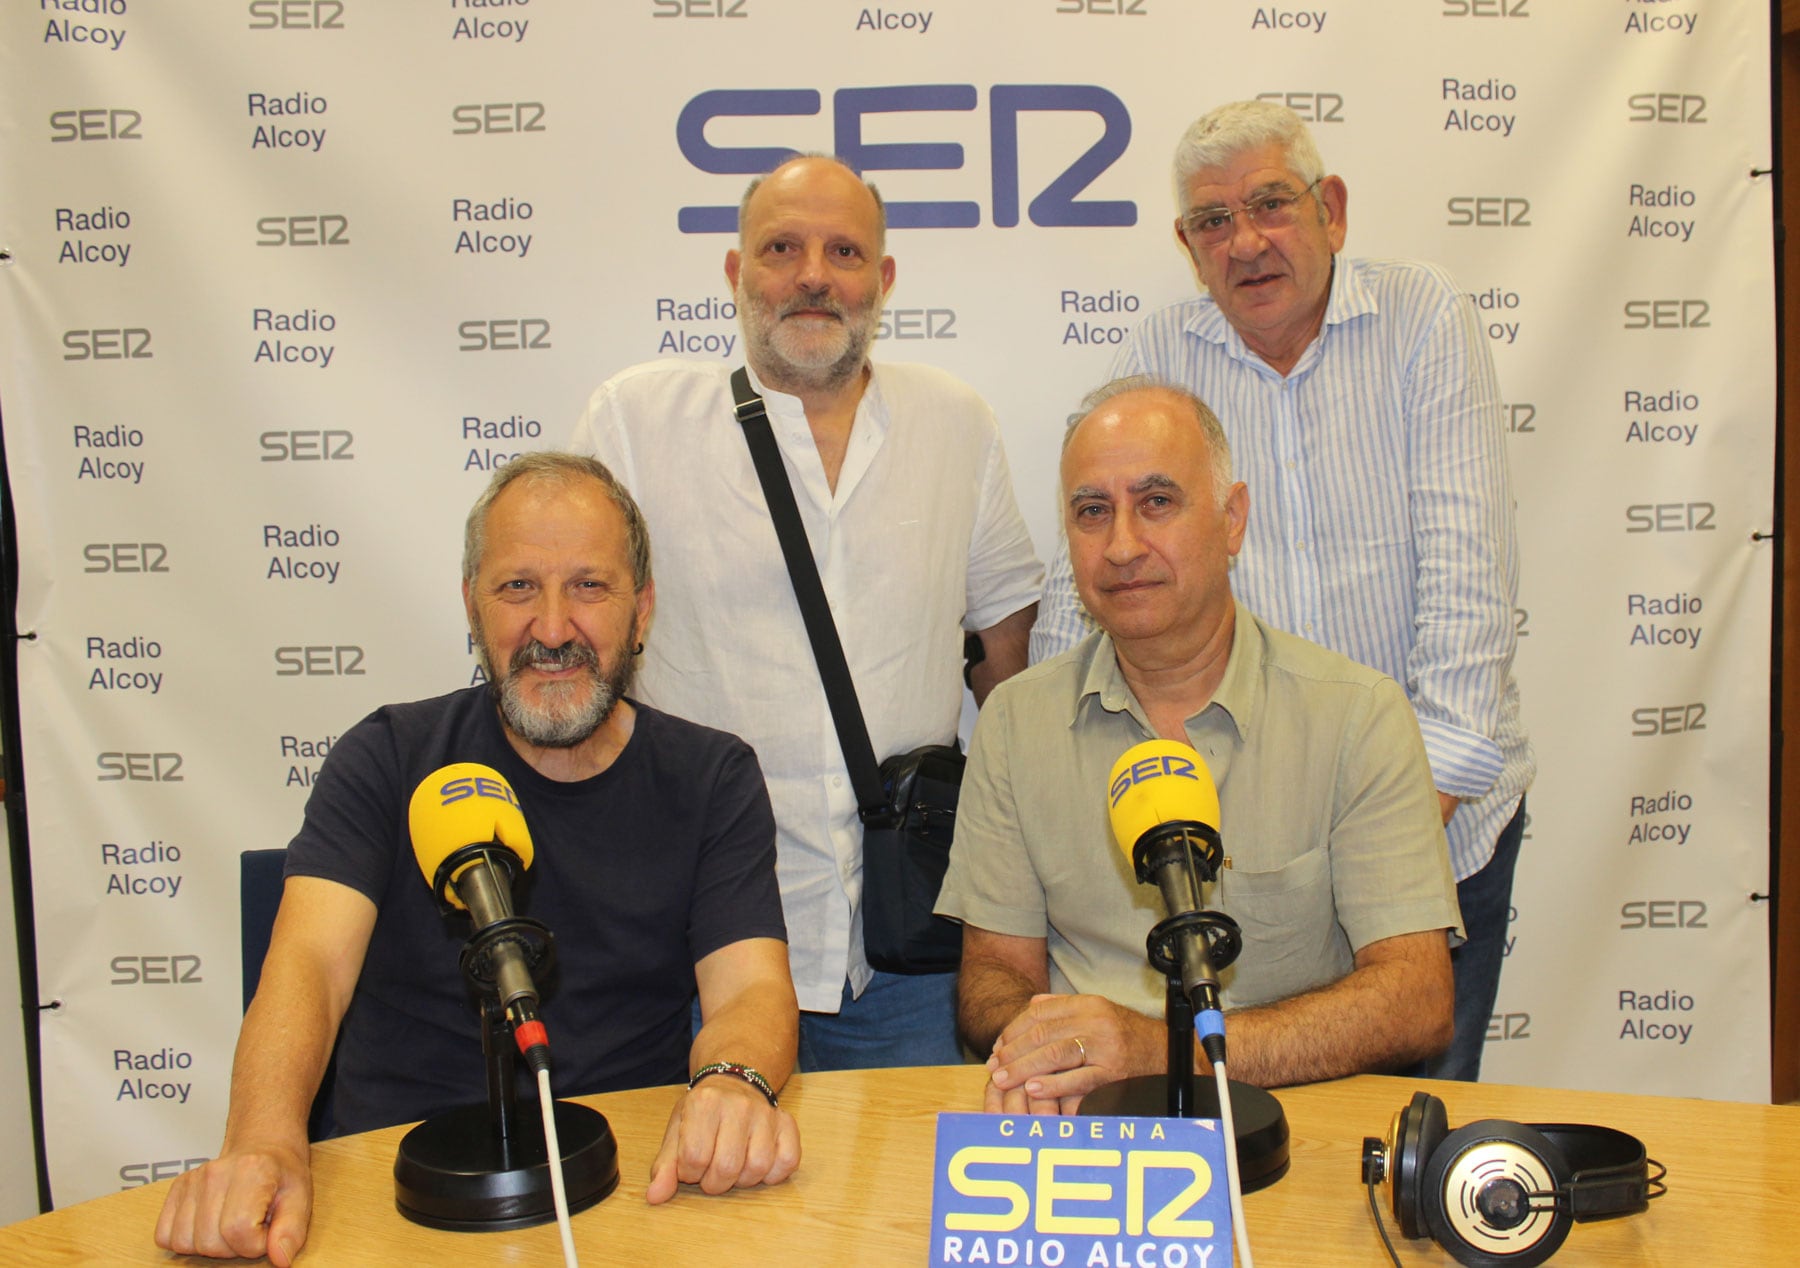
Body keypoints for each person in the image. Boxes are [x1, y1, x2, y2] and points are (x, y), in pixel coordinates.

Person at [154, 454, 801, 1265]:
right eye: (518, 587)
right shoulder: (387, 756)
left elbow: (750, 988)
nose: (555, 628)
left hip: (631, 1187)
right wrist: (262, 1143)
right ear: (472, 606)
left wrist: (734, 1082)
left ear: (643, 611)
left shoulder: (713, 777)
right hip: (393, 1195)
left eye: (590, 587)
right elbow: (310, 965)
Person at [1030, 101, 1532, 1082]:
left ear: (1331, 210)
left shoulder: (1423, 318)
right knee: (1240, 1149)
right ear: (1186, 244)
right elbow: (1074, 601)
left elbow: (1470, 619)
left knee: (1398, 1161)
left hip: (1437, 831)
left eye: (1270, 204)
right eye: (1213, 221)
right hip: (1233, 860)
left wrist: (1361, 853)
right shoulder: (1159, 358)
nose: (1246, 241)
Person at [569, 155, 1043, 1070]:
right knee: (705, 1204)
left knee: (906, 1211)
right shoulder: (635, 422)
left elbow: (1007, 664)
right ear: (736, 273)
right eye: (782, 248)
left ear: (885, 280)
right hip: (693, 944)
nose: (814, 275)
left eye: (844, 251)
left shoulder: (957, 423)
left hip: (907, 951)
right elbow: (576, 645)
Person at [940, 381, 1460, 1113]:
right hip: (1087, 1126)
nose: (1122, 546)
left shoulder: (1357, 716)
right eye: (1093, 512)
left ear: (1232, 519)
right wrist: (1045, 1047)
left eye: (1157, 502)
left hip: (1295, 1125)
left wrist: (1160, 1053)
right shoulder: (1016, 720)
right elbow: (994, 970)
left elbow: (1416, 1000)